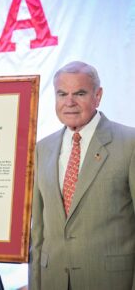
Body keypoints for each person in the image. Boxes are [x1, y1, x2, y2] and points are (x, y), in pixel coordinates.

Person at [29, 61, 135, 289]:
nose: (69, 102)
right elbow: (37, 232)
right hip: (52, 281)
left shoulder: (130, 143)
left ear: (98, 95)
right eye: (62, 94)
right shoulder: (41, 149)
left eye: (79, 93)